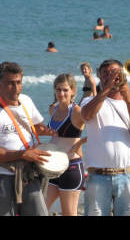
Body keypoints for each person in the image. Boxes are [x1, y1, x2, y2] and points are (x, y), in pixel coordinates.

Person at [0, 61, 56, 216]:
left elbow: (38, 128)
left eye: (19, 83)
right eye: (10, 84)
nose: (16, 88)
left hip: (29, 174)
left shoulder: (26, 100)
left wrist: (56, 131)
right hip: (2, 176)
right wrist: (21, 154)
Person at [81, 59, 130, 216]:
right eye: (105, 73)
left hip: (128, 175)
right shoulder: (89, 101)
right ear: (99, 76)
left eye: (114, 72)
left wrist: (127, 99)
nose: (110, 76)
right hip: (97, 176)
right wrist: (106, 90)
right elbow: (86, 115)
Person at [45, 74, 86, 216]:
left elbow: (95, 131)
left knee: (68, 213)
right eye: (58, 89)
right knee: (39, 208)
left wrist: (78, 144)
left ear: (73, 91)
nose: (61, 93)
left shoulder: (76, 111)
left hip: (71, 168)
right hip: (52, 168)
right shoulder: (53, 109)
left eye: (65, 90)